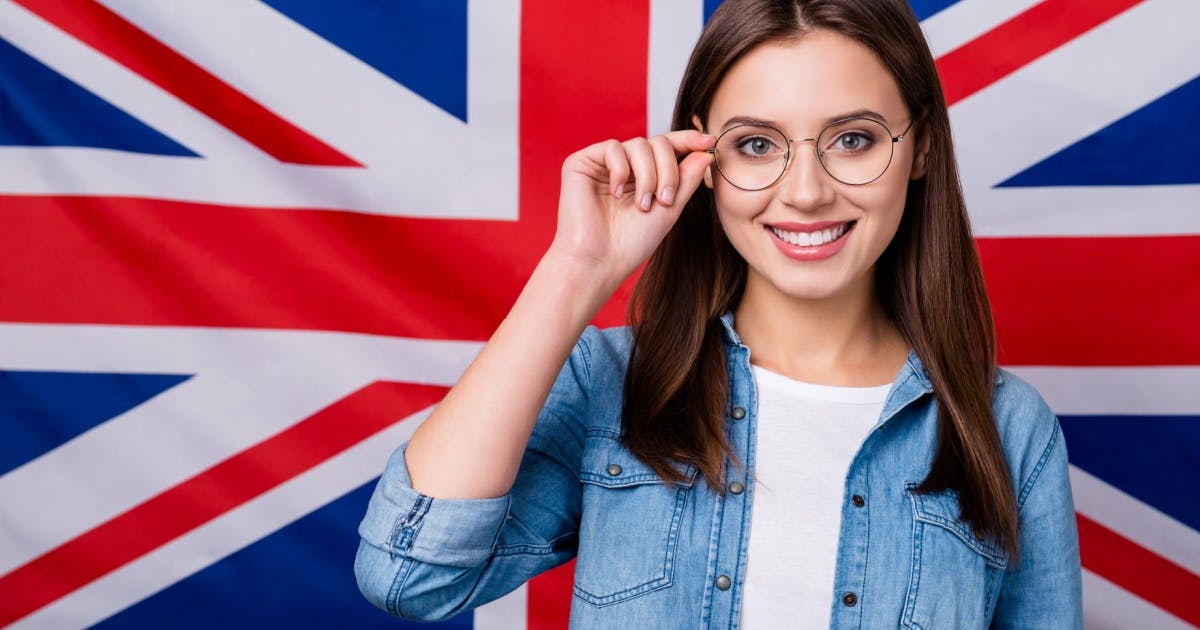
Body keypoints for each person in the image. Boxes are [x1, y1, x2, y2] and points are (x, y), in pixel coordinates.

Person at [354, 0, 1083, 627]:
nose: (804, 193)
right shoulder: (613, 385)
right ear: (704, 155)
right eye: (757, 145)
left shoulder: (1009, 429)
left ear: (918, 144)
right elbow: (409, 577)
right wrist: (575, 272)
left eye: (853, 139)